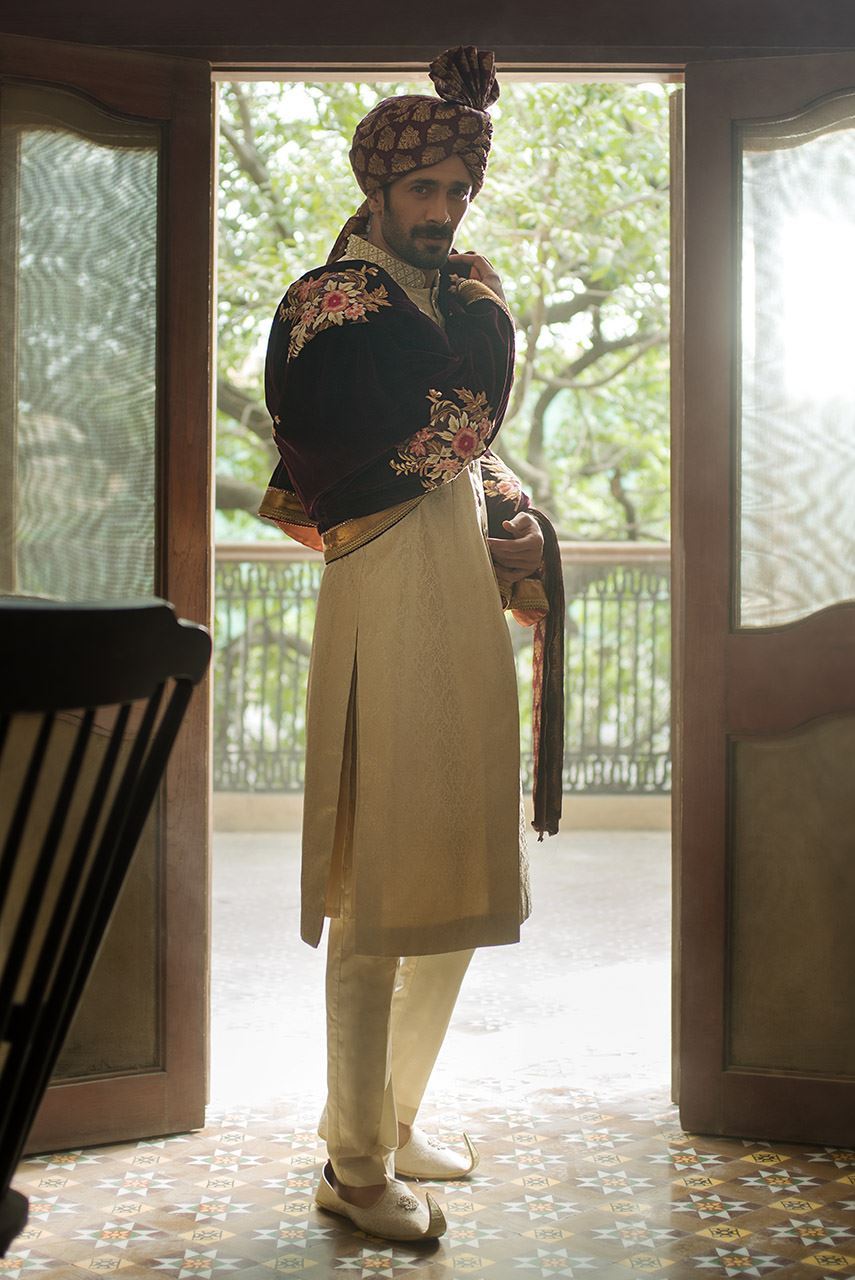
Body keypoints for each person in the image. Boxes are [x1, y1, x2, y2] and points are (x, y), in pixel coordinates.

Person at [258, 45, 564, 1242]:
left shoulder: (439, 299)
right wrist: (489, 318)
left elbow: (472, 458)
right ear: (377, 191)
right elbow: (437, 431)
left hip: (459, 602)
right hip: (386, 599)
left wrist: (514, 516)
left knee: (458, 872)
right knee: (377, 889)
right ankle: (353, 1163)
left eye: (457, 192)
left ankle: (392, 1111)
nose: (442, 211)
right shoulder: (331, 304)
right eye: (423, 190)